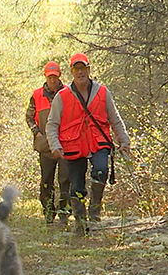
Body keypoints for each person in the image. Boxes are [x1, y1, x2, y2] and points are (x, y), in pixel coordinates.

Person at [46, 52, 131, 235]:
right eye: (76, 68)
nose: (80, 72)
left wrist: (124, 141)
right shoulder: (62, 96)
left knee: (101, 171)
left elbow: (114, 118)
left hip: (98, 142)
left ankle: (95, 210)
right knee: (76, 186)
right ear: (71, 71)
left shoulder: (102, 92)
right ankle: (80, 221)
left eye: (83, 67)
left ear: (89, 69)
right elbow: (52, 124)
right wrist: (55, 145)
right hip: (73, 146)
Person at [25, 61, 71, 224]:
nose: (52, 80)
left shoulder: (69, 92)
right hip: (45, 146)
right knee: (46, 180)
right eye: (49, 76)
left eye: (55, 76)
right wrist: (37, 133)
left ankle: (64, 211)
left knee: (66, 179)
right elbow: (29, 117)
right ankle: (48, 213)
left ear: (59, 76)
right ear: (46, 76)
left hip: (66, 144)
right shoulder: (37, 95)